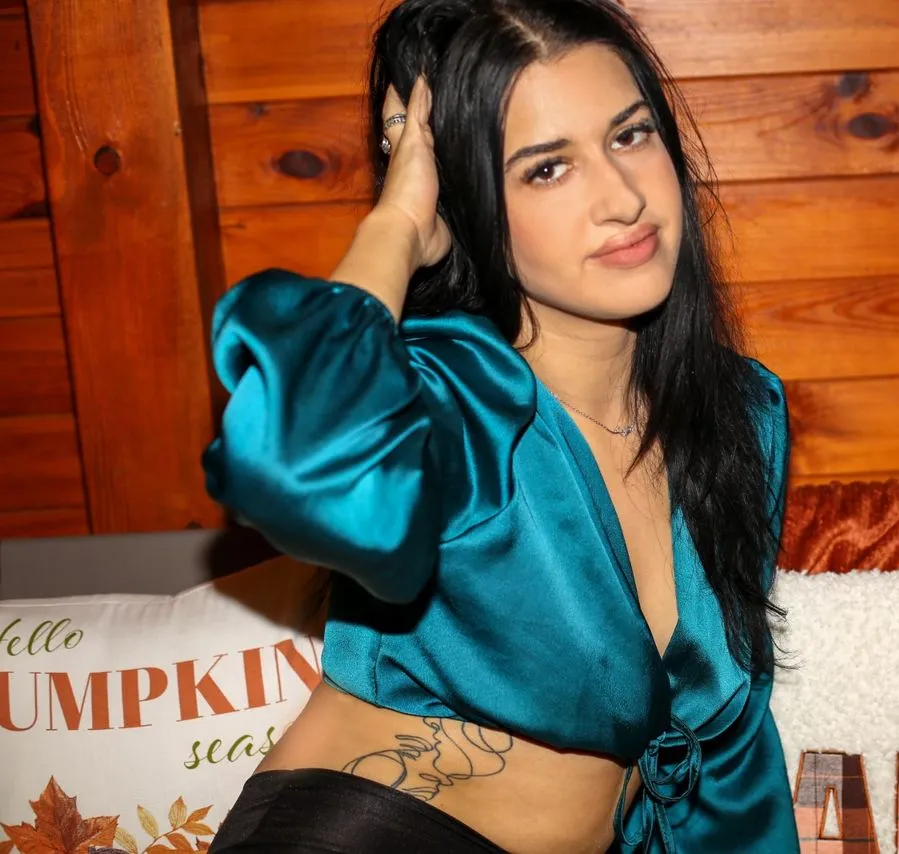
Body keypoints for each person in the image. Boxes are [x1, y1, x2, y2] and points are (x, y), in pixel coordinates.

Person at [202, 0, 798, 851]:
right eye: (547, 169)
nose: (623, 197)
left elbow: (724, 765)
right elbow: (293, 454)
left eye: (630, 136)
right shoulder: (453, 398)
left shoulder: (741, 415)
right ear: (469, 204)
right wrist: (399, 224)